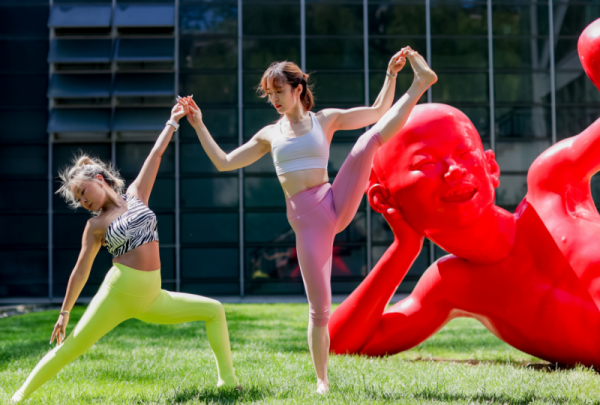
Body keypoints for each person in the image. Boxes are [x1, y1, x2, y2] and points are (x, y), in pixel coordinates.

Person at [328, 23, 600, 364]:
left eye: (464, 155)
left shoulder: (554, 185)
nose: (453, 170)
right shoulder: (452, 285)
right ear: (383, 199)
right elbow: (340, 346)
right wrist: (403, 249)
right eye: (425, 162)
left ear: (491, 167)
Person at [178, 47, 437, 393]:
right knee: (320, 310)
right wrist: (198, 123)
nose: (274, 100)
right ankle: (322, 380)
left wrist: (391, 75)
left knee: (367, 141)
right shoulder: (270, 135)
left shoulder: (325, 119)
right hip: (309, 224)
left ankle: (420, 84)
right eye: (269, 95)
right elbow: (225, 162)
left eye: (279, 92)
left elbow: (377, 111)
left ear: (297, 89)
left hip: (334, 201)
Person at [12, 104, 239, 404]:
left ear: (99, 179)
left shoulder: (136, 194)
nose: (83, 202)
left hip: (152, 298)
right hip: (117, 294)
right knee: (71, 347)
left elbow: (155, 156)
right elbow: (81, 269)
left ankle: (228, 382)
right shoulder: (95, 225)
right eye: (78, 200)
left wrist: (172, 121)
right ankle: (18, 397)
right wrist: (64, 313)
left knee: (215, 310)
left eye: (83, 193)